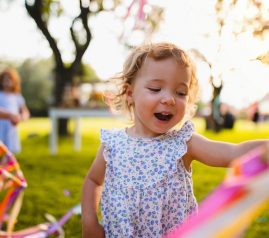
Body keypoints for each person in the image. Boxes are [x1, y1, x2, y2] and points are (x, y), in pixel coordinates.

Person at [81, 42, 268, 238]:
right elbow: (93, 180)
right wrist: (89, 220)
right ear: (130, 94)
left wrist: (264, 149)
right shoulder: (113, 145)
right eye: (155, 88)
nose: (169, 99)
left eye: (181, 93)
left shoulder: (184, 144)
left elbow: (232, 153)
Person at [0, 68, 30, 153]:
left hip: (12, 126)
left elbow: (25, 111)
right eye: (4, 79)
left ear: (14, 82)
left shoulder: (17, 96)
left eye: (9, 79)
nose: (7, 81)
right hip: (1, 125)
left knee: (10, 151)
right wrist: (11, 115)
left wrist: (20, 117)